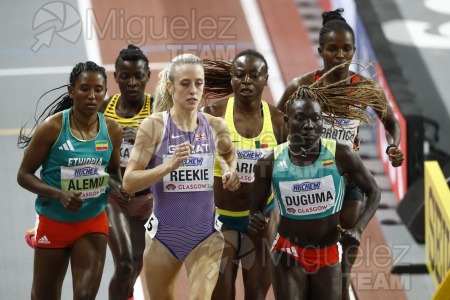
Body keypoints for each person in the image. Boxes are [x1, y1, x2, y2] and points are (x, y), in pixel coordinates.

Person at [276, 8, 404, 300]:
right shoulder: (304, 85)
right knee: (313, 241)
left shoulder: (364, 89)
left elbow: (391, 122)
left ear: (354, 51)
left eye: (347, 49)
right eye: (332, 49)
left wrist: (392, 145)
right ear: (321, 51)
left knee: (349, 238)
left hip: (347, 177)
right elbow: (274, 116)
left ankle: (342, 286)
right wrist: (286, 148)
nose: (340, 55)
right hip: (311, 175)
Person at [122, 53, 240, 299]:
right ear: (170, 86)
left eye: (198, 83)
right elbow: (129, 182)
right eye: (185, 83)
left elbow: (229, 154)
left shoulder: (216, 126)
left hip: (206, 235)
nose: (193, 90)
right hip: (163, 238)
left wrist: (230, 170)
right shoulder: (154, 126)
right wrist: (168, 166)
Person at [249, 86, 382, 300]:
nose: (309, 125)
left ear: (323, 122)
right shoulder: (270, 161)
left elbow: (373, 191)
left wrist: (358, 229)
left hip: (327, 254)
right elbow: (255, 209)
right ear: (287, 121)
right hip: (288, 252)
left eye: (316, 119)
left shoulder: (341, 154)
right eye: (300, 118)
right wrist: (255, 217)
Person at [17, 61, 123, 299]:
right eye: (84, 88)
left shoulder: (112, 130)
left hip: (92, 221)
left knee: (85, 295)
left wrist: (122, 190)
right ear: (71, 90)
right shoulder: (53, 127)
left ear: (105, 92)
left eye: (98, 89)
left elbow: (114, 174)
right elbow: (23, 175)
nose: (92, 96)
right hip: (54, 220)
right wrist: (59, 194)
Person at [202, 49, 287, 300]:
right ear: (231, 79)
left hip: (261, 223)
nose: (246, 81)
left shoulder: (278, 121)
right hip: (221, 222)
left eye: (254, 75)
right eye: (240, 75)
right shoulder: (213, 114)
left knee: (256, 295)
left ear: (266, 79)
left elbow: (288, 174)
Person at [100, 44, 153, 300]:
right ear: (116, 77)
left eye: (138, 76)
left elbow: (178, 156)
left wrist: (145, 140)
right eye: (125, 76)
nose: (132, 83)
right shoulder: (103, 110)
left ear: (148, 76)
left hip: (148, 201)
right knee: (124, 264)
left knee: (134, 266)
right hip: (115, 197)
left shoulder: (159, 111)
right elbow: (85, 157)